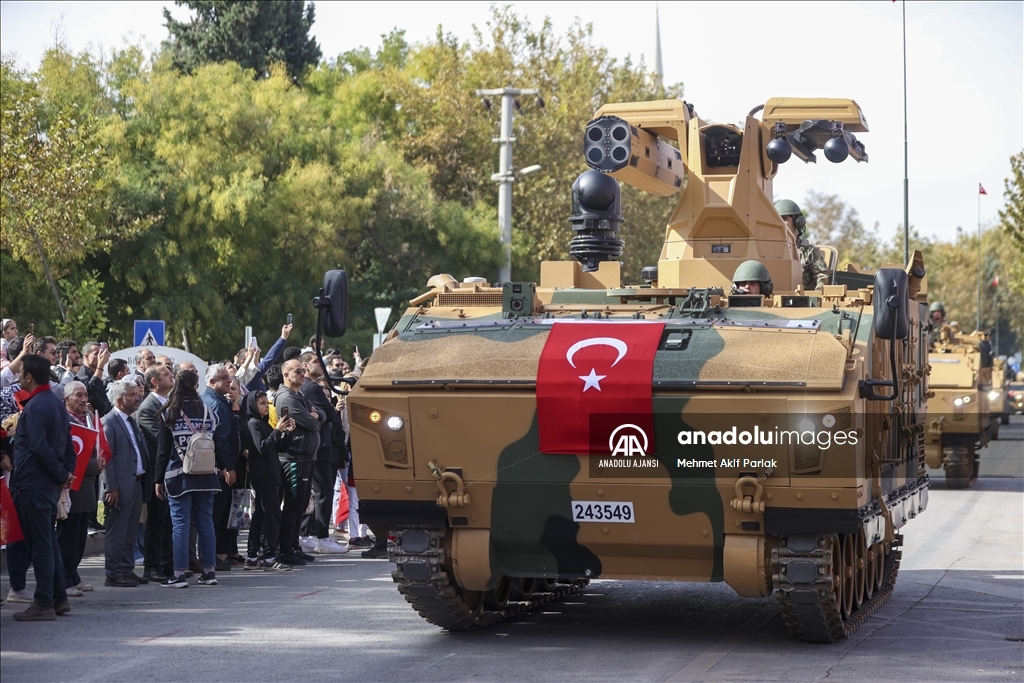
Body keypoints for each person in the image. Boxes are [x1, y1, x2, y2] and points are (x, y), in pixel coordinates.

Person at [9, 354, 74, 620]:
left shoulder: (36, 406)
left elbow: (39, 446)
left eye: (21, 372)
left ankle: (44, 602)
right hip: (46, 483)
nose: (18, 377)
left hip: (34, 484)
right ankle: (59, 598)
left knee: (41, 546)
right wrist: (65, 473)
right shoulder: (55, 403)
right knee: (49, 542)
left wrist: (61, 474)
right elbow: (68, 444)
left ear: (29, 377)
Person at [155, 370, 221, 588]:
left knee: (180, 523)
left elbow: (163, 451)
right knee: (205, 521)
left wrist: (157, 479)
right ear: (197, 384)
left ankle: (179, 573)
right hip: (207, 473)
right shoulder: (208, 412)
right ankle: (210, 571)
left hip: (178, 474)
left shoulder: (170, 412)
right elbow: (216, 442)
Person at [101, 378, 150, 587]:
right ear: (120, 400)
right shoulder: (109, 422)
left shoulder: (130, 420)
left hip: (136, 484)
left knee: (130, 531)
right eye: (131, 395)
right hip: (120, 487)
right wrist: (111, 487)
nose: (137, 397)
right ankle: (113, 572)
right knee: (117, 531)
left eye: (135, 394)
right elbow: (106, 458)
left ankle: (126, 569)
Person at [274, 359, 323, 566]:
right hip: (294, 457)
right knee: (294, 504)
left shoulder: (299, 394)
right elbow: (312, 423)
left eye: (304, 370)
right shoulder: (287, 398)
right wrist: (314, 417)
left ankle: (294, 546)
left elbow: (320, 413)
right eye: (298, 371)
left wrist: (315, 415)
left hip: (306, 456)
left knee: (302, 504)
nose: (303, 373)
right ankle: (286, 549)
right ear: (286, 374)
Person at [58, 381, 105, 597]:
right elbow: (76, 455)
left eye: (85, 394)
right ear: (67, 399)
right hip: (72, 485)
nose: (84, 399)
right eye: (78, 395)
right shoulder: (65, 421)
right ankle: (64, 579)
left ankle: (73, 576)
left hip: (87, 487)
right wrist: (96, 466)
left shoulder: (88, 418)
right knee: (68, 537)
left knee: (79, 538)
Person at [299, 351, 348, 554]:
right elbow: (328, 414)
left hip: (319, 445)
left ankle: (309, 535)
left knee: (318, 492)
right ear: (304, 366)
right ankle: (322, 537)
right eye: (315, 361)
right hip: (321, 446)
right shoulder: (311, 388)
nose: (321, 364)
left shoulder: (308, 387)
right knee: (323, 492)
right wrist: (329, 411)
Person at [242, 390, 295, 570]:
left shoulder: (263, 424)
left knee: (263, 514)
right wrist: (277, 431)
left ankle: (253, 555)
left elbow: (276, 446)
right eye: (262, 403)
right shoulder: (253, 423)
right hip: (263, 475)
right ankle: (268, 555)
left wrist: (285, 433)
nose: (266, 406)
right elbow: (262, 447)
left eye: (267, 402)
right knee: (272, 515)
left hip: (272, 473)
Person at [138, 364, 175, 581]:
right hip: (157, 473)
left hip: (172, 471)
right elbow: (161, 440)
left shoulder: (171, 404)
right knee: (156, 521)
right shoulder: (147, 408)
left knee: (169, 522)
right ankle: (152, 565)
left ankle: (169, 564)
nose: (172, 377)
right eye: (167, 375)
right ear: (154, 381)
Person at [202, 364, 240, 570]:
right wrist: (228, 468)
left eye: (229, 377)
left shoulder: (218, 400)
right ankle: (211, 556)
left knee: (220, 514)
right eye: (223, 378)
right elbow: (222, 440)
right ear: (211, 382)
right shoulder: (215, 404)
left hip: (217, 467)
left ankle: (218, 554)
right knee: (214, 514)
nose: (229, 380)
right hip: (218, 470)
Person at [775, 199, 829, 291]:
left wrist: (816, 297)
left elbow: (822, 277)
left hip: (803, 302)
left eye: (784, 219)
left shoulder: (810, 252)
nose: (780, 223)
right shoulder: (770, 251)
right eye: (777, 219)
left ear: (797, 222)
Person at [77, 342, 113, 416]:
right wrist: (101, 365)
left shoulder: (95, 374)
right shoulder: (82, 376)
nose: (100, 356)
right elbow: (100, 406)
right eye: (96, 354)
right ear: (86, 357)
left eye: (101, 353)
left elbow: (106, 405)